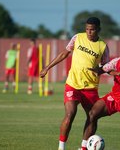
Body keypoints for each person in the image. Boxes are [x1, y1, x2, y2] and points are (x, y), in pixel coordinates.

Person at [40, 17, 109, 150]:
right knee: (70, 113)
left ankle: (83, 147)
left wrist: (99, 70)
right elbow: (64, 53)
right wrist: (47, 67)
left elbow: (106, 66)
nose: (89, 32)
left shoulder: (103, 46)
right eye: (87, 29)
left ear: (98, 29)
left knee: (92, 117)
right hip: (73, 84)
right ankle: (61, 147)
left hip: (90, 87)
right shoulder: (77, 37)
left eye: (92, 30)